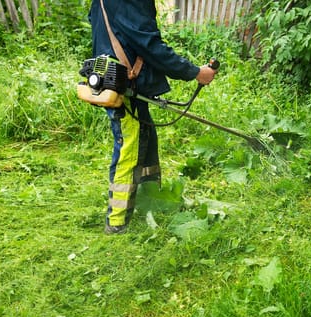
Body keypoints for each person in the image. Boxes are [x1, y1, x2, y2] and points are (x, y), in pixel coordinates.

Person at [88, 0, 216, 234]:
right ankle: (116, 221)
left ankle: (151, 200)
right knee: (129, 148)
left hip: (126, 82)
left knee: (146, 141)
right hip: (124, 84)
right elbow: (150, 45)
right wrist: (195, 72)